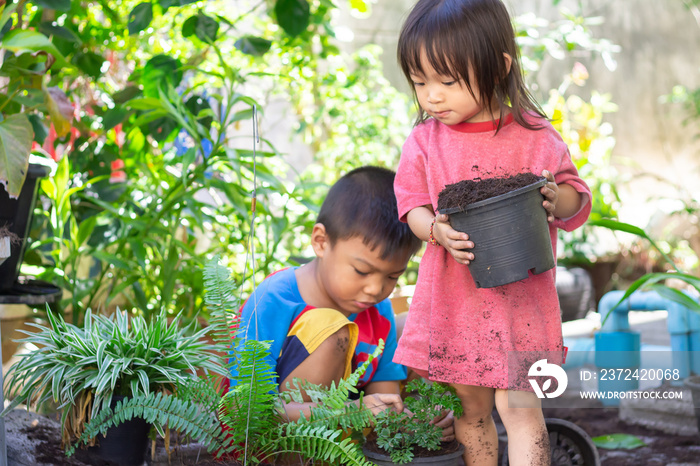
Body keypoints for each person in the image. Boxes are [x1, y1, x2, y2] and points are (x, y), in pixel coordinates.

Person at [392, 1, 592, 465]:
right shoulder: (426, 142)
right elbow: (412, 207)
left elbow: (575, 196)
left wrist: (551, 197)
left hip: (523, 303)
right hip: (457, 303)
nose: (432, 97)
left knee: (521, 405)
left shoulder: (535, 134)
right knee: (472, 408)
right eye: (420, 83)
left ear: (498, 67)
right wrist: (436, 231)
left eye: (447, 81)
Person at [232, 166, 453, 435]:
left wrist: (415, 423)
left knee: (420, 325)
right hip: (272, 446)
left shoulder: (378, 310)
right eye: (362, 271)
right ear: (321, 242)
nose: (375, 289)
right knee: (331, 330)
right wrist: (350, 413)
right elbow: (246, 411)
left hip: (343, 441)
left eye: (392, 276)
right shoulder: (274, 299)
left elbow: (385, 403)